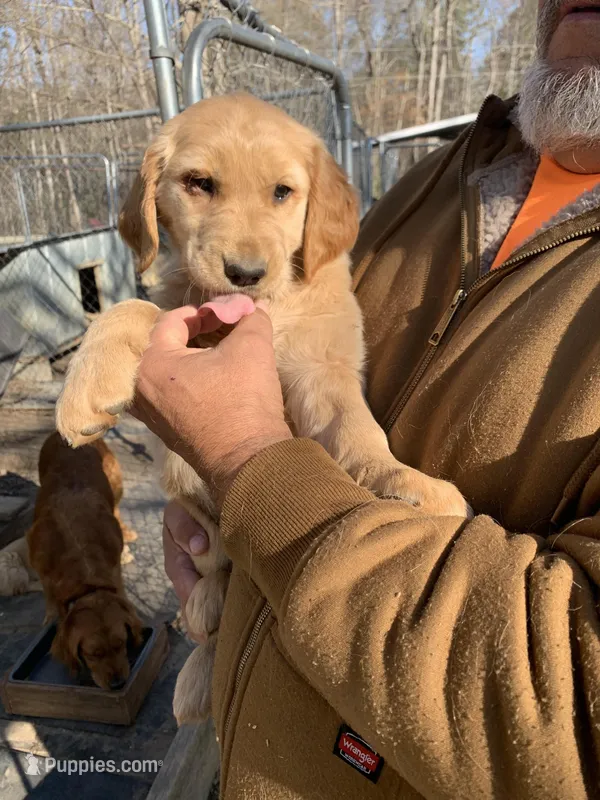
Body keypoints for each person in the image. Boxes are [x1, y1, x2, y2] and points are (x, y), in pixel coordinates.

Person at [132, 0, 600, 797]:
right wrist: (215, 505)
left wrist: (250, 467)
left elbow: (572, 721)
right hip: (247, 742)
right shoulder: (448, 171)